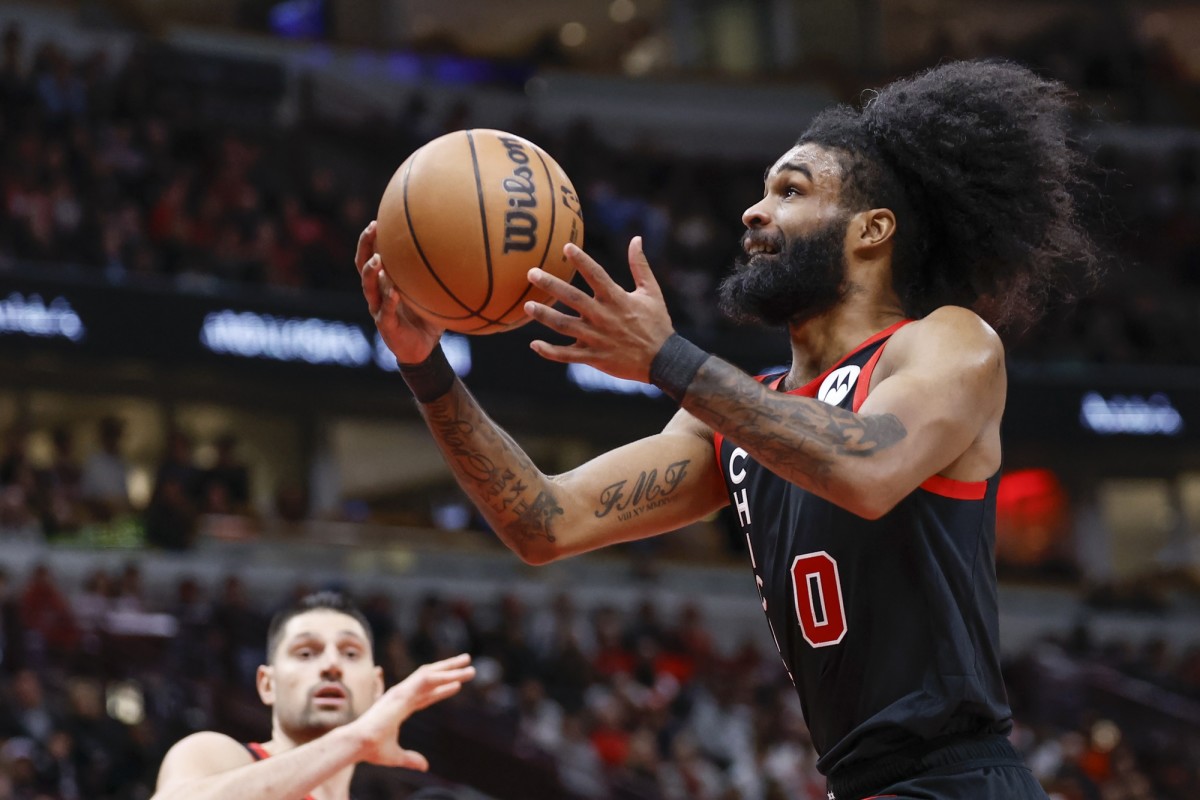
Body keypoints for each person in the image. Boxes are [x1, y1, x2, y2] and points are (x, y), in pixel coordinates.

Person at [357, 60, 1099, 799]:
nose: (753, 209)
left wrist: (666, 358)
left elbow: (869, 469)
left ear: (872, 230)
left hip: (960, 778)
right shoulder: (740, 415)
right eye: (762, 189)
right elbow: (545, 522)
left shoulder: (946, 342)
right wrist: (426, 368)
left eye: (791, 190)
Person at [152, 590, 474, 800]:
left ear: (377, 687)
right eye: (306, 653)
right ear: (267, 684)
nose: (332, 665)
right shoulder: (214, 755)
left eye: (350, 653)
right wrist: (355, 740)